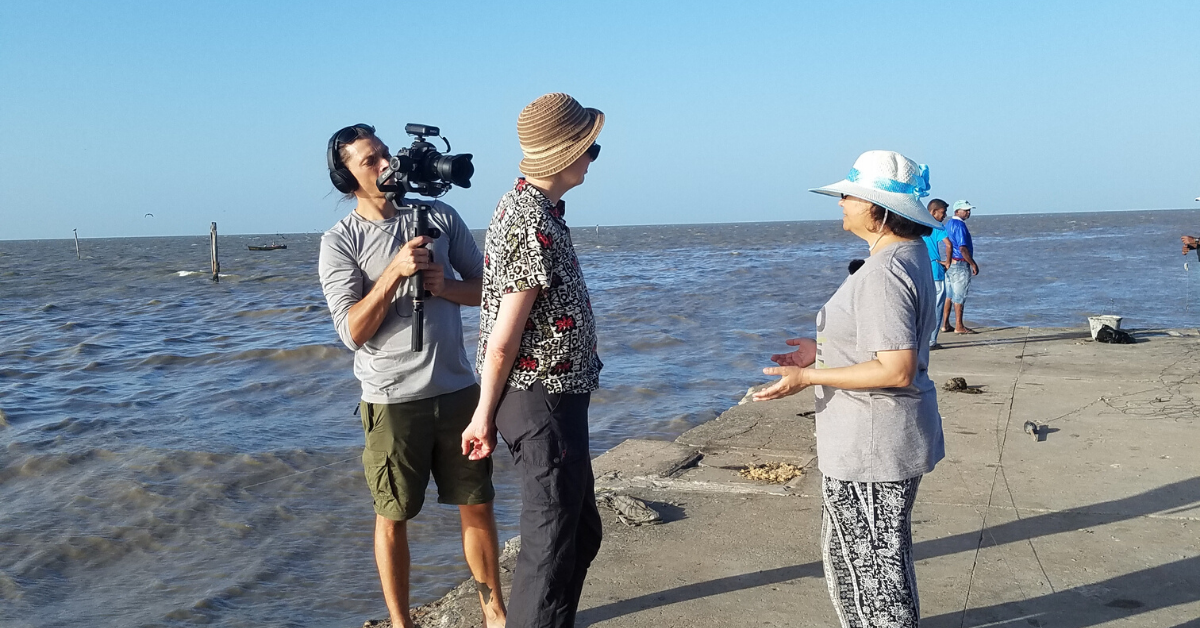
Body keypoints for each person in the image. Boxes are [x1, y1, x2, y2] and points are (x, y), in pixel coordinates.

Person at [317, 124, 506, 628]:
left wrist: (445, 288)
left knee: (478, 503)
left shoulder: (441, 216)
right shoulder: (340, 241)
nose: (383, 166)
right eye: (368, 161)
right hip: (391, 400)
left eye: (383, 154)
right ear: (347, 178)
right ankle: (401, 624)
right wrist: (394, 273)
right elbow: (351, 331)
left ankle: (495, 615)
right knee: (394, 515)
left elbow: (491, 291)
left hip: (458, 388)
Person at [754, 150, 945, 628]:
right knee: (879, 565)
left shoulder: (885, 270)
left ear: (877, 210)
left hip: (872, 445)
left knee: (870, 575)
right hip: (880, 439)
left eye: (850, 195)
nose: (841, 201)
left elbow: (895, 368)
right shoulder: (909, 254)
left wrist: (810, 376)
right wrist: (818, 354)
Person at [462, 93, 605, 628]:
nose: (593, 158)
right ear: (566, 154)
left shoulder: (536, 209)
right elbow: (503, 336)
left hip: (556, 397)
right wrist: (483, 414)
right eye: (592, 149)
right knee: (548, 546)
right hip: (539, 397)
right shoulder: (528, 218)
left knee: (578, 534)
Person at [942, 200, 979, 334]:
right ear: (957, 211)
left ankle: (945, 324)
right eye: (966, 210)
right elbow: (963, 248)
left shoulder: (949, 223)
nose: (968, 213)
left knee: (949, 295)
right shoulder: (960, 225)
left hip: (951, 263)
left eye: (969, 210)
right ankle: (959, 325)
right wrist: (973, 263)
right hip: (960, 263)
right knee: (959, 296)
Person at [920, 199, 951, 348]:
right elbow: (948, 244)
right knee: (937, 305)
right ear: (933, 212)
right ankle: (932, 340)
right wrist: (948, 261)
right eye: (943, 212)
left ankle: (921, 337)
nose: (944, 215)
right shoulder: (937, 226)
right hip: (935, 268)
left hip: (921, 268)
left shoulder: (918, 223)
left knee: (923, 305)